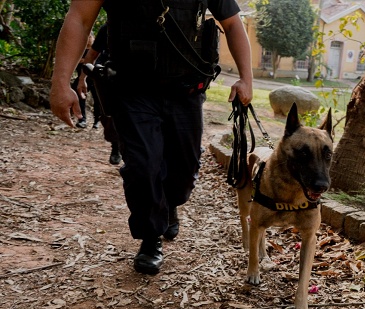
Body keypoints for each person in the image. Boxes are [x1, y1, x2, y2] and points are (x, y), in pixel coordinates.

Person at [50, 0, 253, 275]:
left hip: (187, 90)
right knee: (143, 166)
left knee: (184, 171)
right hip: (132, 90)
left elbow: (231, 23)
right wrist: (61, 83)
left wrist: (246, 79)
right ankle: (150, 239)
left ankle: (169, 205)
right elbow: (79, 18)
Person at [76, 23, 122, 165]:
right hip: (109, 77)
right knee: (109, 115)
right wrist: (82, 79)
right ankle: (116, 147)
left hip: (143, 79)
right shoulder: (109, 27)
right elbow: (92, 54)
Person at [70, 33, 97, 129]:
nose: (88, 39)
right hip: (81, 79)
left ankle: (97, 121)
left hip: (95, 78)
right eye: (87, 37)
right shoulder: (79, 51)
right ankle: (82, 119)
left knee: (98, 100)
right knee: (78, 96)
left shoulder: (97, 51)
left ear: (94, 38)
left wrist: (85, 61)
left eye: (90, 37)